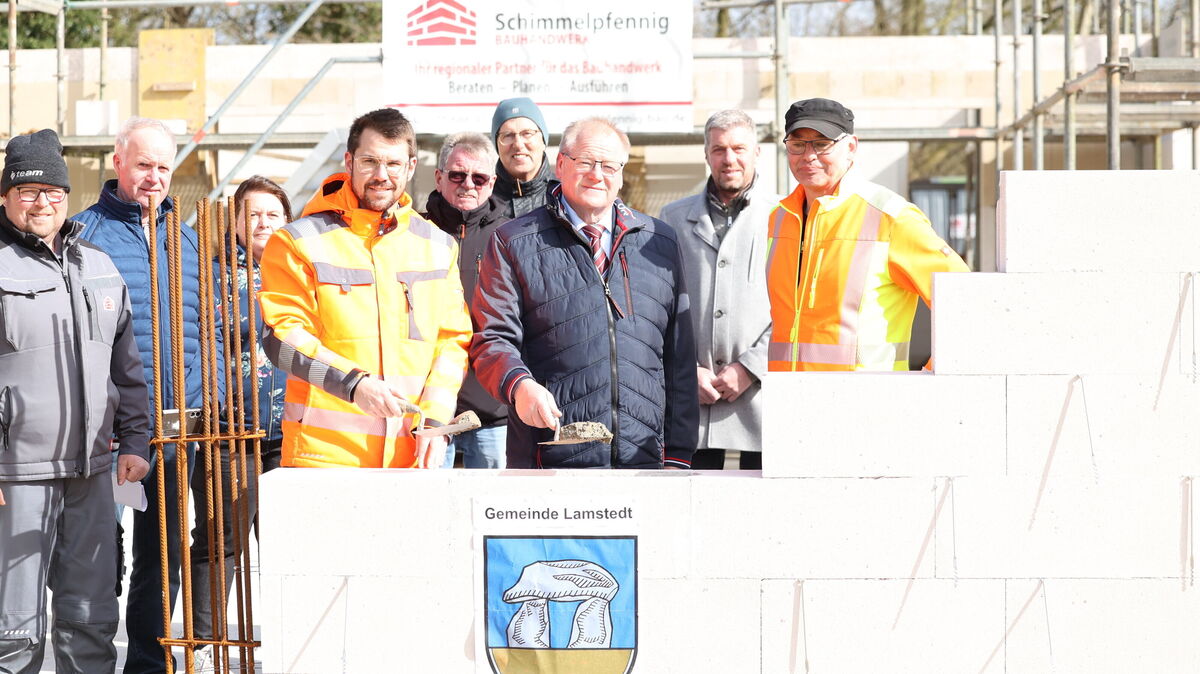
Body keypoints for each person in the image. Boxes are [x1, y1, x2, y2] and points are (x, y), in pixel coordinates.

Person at [0, 129, 150, 673]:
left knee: (90, 619)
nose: (42, 203)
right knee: (11, 629)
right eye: (28, 192)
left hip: (92, 472)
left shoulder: (99, 266)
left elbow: (127, 370)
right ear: (6, 197)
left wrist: (135, 441)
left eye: (53, 192)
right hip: (15, 474)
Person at [74, 116, 219, 674]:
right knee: (96, 554)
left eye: (163, 167)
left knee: (161, 555)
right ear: (118, 163)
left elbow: (204, 327)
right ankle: (88, 658)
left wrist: (207, 391)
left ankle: (147, 663)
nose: (154, 178)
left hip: (175, 424)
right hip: (105, 430)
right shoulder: (84, 233)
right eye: (144, 165)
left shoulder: (186, 238)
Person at [471, 117, 699, 469]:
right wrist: (519, 387)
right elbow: (492, 340)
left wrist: (679, 455)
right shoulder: (512, 241)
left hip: (645, 461)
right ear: (561, 164)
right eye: (586, 162)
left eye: (609, 165)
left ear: (621, 174)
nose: (597, 174)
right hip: (549, 456)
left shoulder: (659, 241)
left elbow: (679, 356)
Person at [258, 108, 471, 469]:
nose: (381, 175)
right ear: (349, 161)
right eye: (370, 161)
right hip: (324, 457)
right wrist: (354, 385)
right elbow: (282, 339)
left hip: (413, 459)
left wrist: (436, 421)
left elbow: (451, 343)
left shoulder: (438, 246)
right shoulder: (298, 242)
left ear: (411, 166)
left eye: (393, 164)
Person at [766, 98, 969, 372]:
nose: (808, 155)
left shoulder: (891, 217)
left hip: (866, 405)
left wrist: (930, 374)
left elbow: (967, 299)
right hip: (791, 402)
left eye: (822, 144)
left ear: (850, 147)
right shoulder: (779, 219)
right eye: (797, 144)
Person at [189, 176, 291, 671]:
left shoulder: (301, 269)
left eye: (273, 214)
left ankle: (290, 642)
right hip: (232, 429)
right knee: (219, 540)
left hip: (294, 430)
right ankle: (207, 646)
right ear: (232, 222)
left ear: (288, 220)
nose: (263, 223)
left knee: (291, 542)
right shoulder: (208, 276)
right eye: (252, 214)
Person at [659, 110, 777, 470]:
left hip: (761, 403)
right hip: (692, 405)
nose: (729, 159)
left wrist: (751, 367)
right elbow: (657, 305)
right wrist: (685, 370)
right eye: (719, 149)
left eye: (739, 148)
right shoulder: (672, 219)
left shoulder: (785, 216)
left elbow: (799, 308)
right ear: (706, 154)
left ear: (757, 152)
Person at [422, 133, 508, 468]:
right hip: (428, 407)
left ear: (492, 182)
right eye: (457, 175)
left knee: (493, 512)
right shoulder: (413, 232)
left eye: (479, 177)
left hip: (493, 408)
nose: (467, 184)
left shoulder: (512, 236)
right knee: (431, 508)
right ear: (439, 177)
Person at [491, 97, 553, 219]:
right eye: (508, 135)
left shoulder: (564, 196)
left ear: (543, 140)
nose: (518, 144)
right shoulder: (482, 199)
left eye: (527, 133)